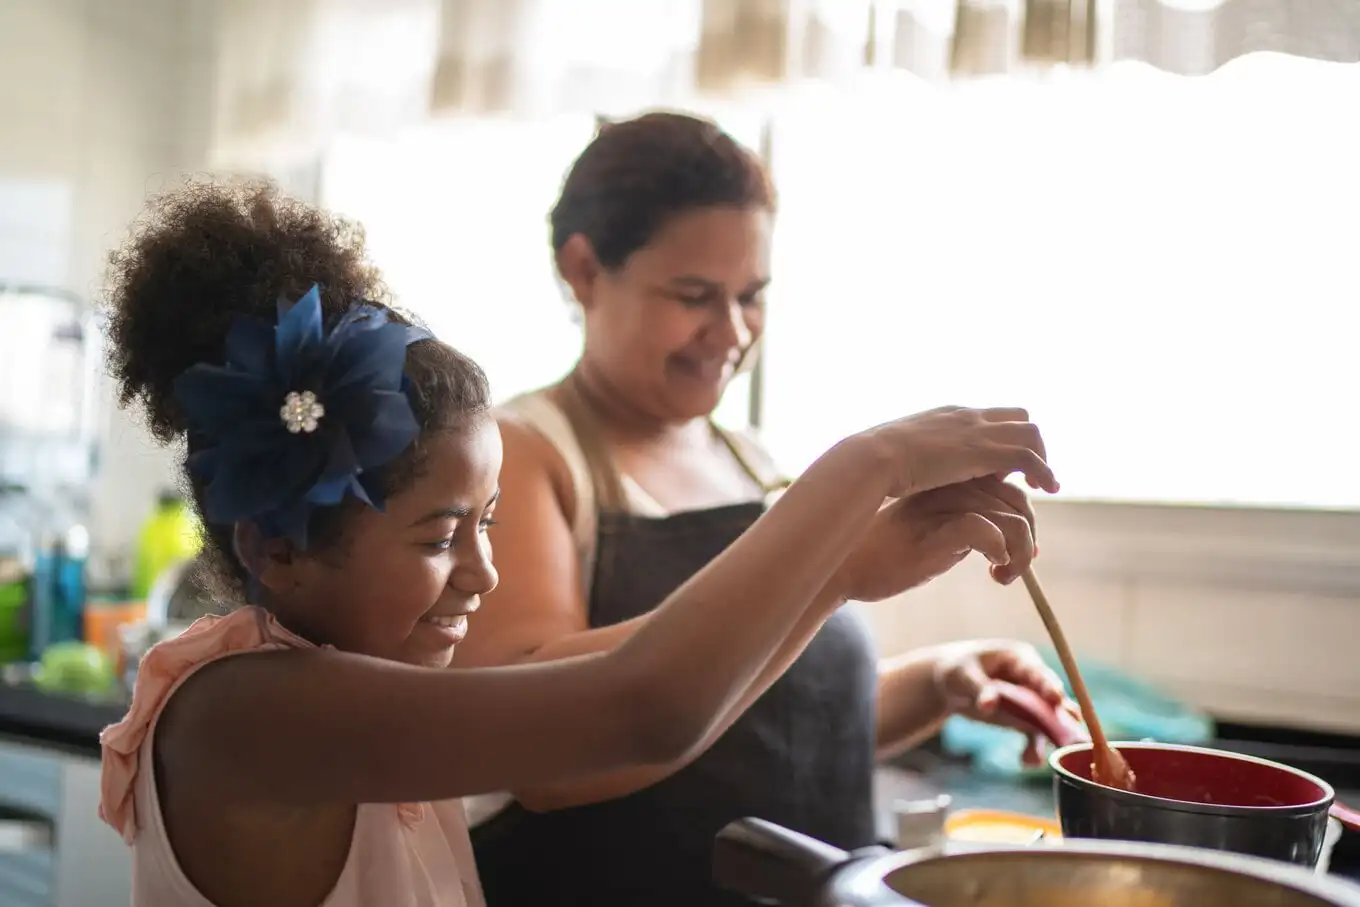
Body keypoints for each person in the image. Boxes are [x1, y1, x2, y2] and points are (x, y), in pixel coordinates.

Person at [95, 179, 1058, 907]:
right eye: (440, 534)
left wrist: (844, 564)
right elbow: (641, 706)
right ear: (279, 548)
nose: (483, 570)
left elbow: (654, 697)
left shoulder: (357, 682)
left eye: (487, 522)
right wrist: (866, 468)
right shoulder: (249, 714)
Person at [455, 111, 1073, 907]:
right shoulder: (528, 454)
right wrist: (839, 558)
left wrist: (937, 682)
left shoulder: (751, 459)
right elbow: (540, 754)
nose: (733, 330)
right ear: (583, 270)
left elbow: (761, 719)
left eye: (752, 295)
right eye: (694, 296)